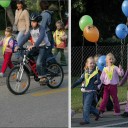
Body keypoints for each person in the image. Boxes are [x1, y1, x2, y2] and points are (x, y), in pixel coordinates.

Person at [15, 13, 51, 84]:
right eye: (31, 21)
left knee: (38, 62)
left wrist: (34, 45)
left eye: (34, 22)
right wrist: (18, 46)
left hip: (44, 47)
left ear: (37, 22)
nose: (32, 23)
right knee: (27, 54)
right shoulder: (31, 30)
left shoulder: (41, 28)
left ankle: (43, 77)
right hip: (37, 47)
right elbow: (25, 38)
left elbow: (41, 38)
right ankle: (35, 69)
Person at [72, 57, 101, 125]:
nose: (92, 64)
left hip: (91, 92)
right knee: (86, 106)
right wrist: (73, 85)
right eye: (90, 63)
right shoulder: (85, 72)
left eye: (93, 63)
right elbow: (80, 80)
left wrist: (96, 82)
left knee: (86, 107)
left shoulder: (96, 73)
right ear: (87, 64)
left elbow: (99, 81)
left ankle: (86, 120)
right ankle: (97, 112)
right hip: (85, 91)